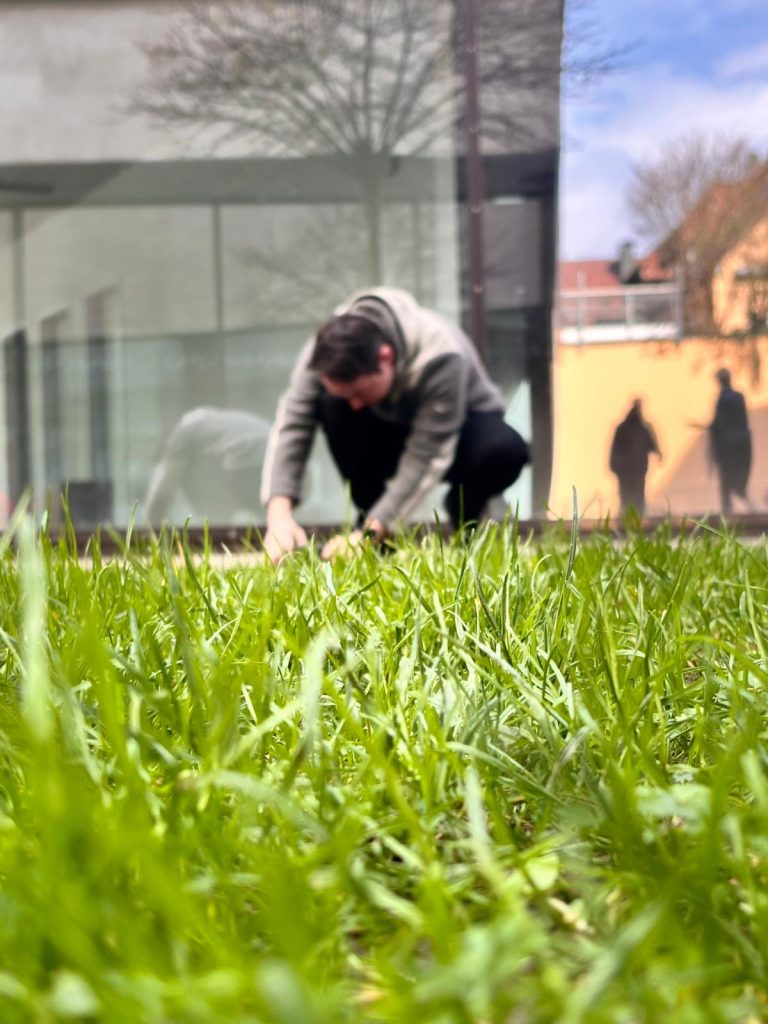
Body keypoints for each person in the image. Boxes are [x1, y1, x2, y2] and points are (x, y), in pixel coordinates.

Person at [261, 286, 529, 562]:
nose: (353, 405)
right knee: (332, 406)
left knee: (503, 450)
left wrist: (372, 531)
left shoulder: (440, 353)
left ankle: (465, 516)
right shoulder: (323, 353)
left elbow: (426, 454)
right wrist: (279, 515)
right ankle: (374, 526)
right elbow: (294, 423)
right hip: (389, 431)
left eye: (360, 392)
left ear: (385, 357)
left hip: (460, 433)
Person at [144, 406, 272, 526]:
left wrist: (147, 534)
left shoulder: (184, 430)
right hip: (272, 453)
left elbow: (160, 494)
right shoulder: (207, 423)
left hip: (249, 454)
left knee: (220, 518)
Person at [707, 368, 752, 514]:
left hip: (727, 444)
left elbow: (720, 422)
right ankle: (739, 499)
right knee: (737, 472)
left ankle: (729, 505)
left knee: (726, 474)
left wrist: (711, 428)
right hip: (741, 441)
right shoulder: (739, 396)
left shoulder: (723, 398)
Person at [609, 398, 662, 516]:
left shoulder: (642, 428)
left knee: (637, 494)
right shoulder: (625, 428)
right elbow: (616, 450)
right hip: (627, 470)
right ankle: (627, 516)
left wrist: (658, 453)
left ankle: (637, 516)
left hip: (637, 469)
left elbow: (652, 445)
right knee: (627, 495)